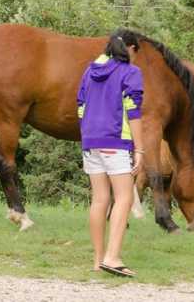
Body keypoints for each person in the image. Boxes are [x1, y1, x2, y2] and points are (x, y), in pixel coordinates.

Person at [77, 29, 145, 277]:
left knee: (99, 200)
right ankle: (113, 257)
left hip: (90, 141)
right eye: (136, 52)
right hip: (116, 141)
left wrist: (88, 135)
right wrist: (139, 149)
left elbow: (81, 106)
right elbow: (134, 111)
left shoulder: (89, 70)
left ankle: (98, 260)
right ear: (131, 49)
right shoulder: (131, 73)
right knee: (124, 198)